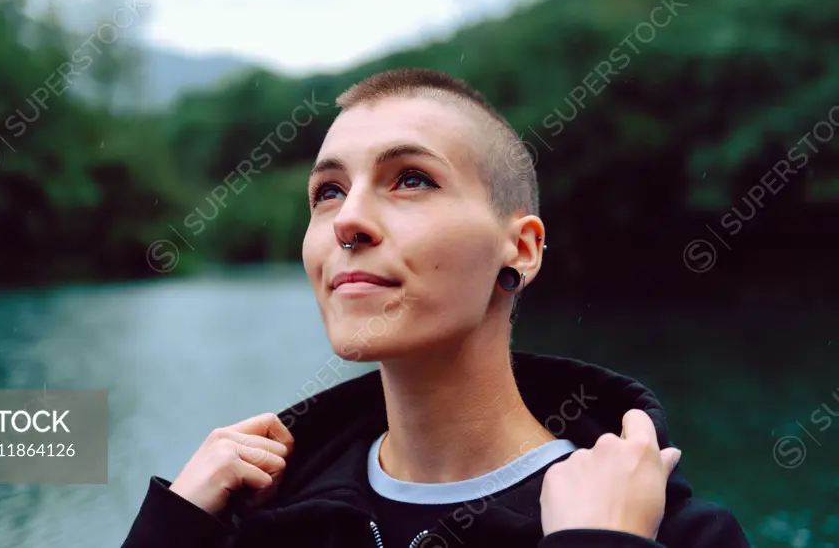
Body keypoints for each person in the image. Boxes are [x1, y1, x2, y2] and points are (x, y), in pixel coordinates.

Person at [121, 68, 751, 548]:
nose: (349, 222)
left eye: (411, 179)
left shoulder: (673, 532)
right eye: (328, 191)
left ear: (522, 249)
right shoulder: (255, 517)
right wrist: (174, 528)